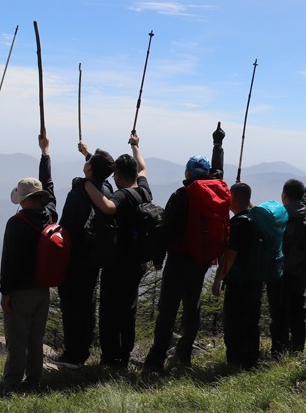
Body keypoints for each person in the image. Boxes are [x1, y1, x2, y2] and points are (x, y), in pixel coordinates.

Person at [142, 123, 228, 373]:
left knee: (167, 310)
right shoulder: (216, 190)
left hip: (179, 259)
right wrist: (218, 144)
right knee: (192, 307)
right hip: (203, 260)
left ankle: (155, 361)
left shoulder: (183, 195)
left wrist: (157, 258)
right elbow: (219, 169)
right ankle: (184, 356)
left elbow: (165, 230)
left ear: (189, 172)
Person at [81, 132, 150, 369]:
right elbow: (143, 167)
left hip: (118, 263)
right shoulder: (143, 189)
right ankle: (125, 353)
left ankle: (111, 357)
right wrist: (136, 146)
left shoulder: (122, 195)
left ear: (118, 176)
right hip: (138, 262)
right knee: (128, 309)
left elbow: (108, 207)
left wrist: (87, 184)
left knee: (110, 311)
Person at [50, 142, 115, 370]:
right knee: (87, 304)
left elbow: (66, 229)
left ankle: (72, 355)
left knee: (71, 306)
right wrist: (87, 154)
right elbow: (102, 172)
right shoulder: (106, 190)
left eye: (88, 161)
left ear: (89, 169)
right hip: (95, 258)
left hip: (76, 259)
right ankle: (83, 351)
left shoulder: (77, 194)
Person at [0, 133, 57, 390]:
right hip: (43, 288)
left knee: (17, 339)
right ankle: (34, 380)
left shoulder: (16, 223)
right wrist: (45, 154)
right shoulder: (51, 216)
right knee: (36, 338)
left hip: (21, 290)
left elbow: (9, 261)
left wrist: (5, 292)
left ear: (23, 200)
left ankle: (12, 383)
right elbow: (51, 188)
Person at [267, 167, 306, 357]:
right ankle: (297, 351)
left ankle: (278, 352)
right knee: (298, 313)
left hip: (280, 275)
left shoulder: (279, 216)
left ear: (284, 195)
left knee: (279, 314)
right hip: (299, 273)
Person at [212, 182, 262, 370]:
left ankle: (234, 364)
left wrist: (218, 279)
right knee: (251, 322)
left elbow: (230, 256)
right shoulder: (255, 219)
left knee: (234, 324)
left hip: (239, 282)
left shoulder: (238, 224)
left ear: (232, 198)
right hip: (255, 280)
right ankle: (251, 362)